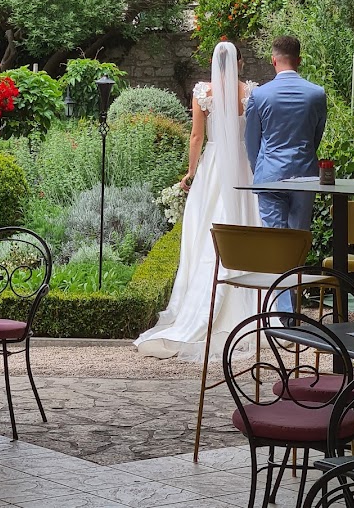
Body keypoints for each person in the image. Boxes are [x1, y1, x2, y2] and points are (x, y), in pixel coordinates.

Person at [135, 41, 261, 360]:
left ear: (213, 64)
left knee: (207, 228)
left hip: (214, 165)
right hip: (243, 165)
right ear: (240, 63)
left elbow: (196, 136)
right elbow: (255, 135)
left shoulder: (204, 92)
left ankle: (203, 298)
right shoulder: (251, 92)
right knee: (244, 221)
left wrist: (191, 173)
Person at [244, 35, 327, 310]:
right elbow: (316, 136)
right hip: (305, 174)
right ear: (299, 60)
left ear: (273, 60)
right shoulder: (316, 94)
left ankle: (286, 315)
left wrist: (260, 169)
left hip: (269, 175)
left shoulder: (260, 95)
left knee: (276, 245)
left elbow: (252, 140)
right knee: (297, 243)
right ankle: (292, 310)